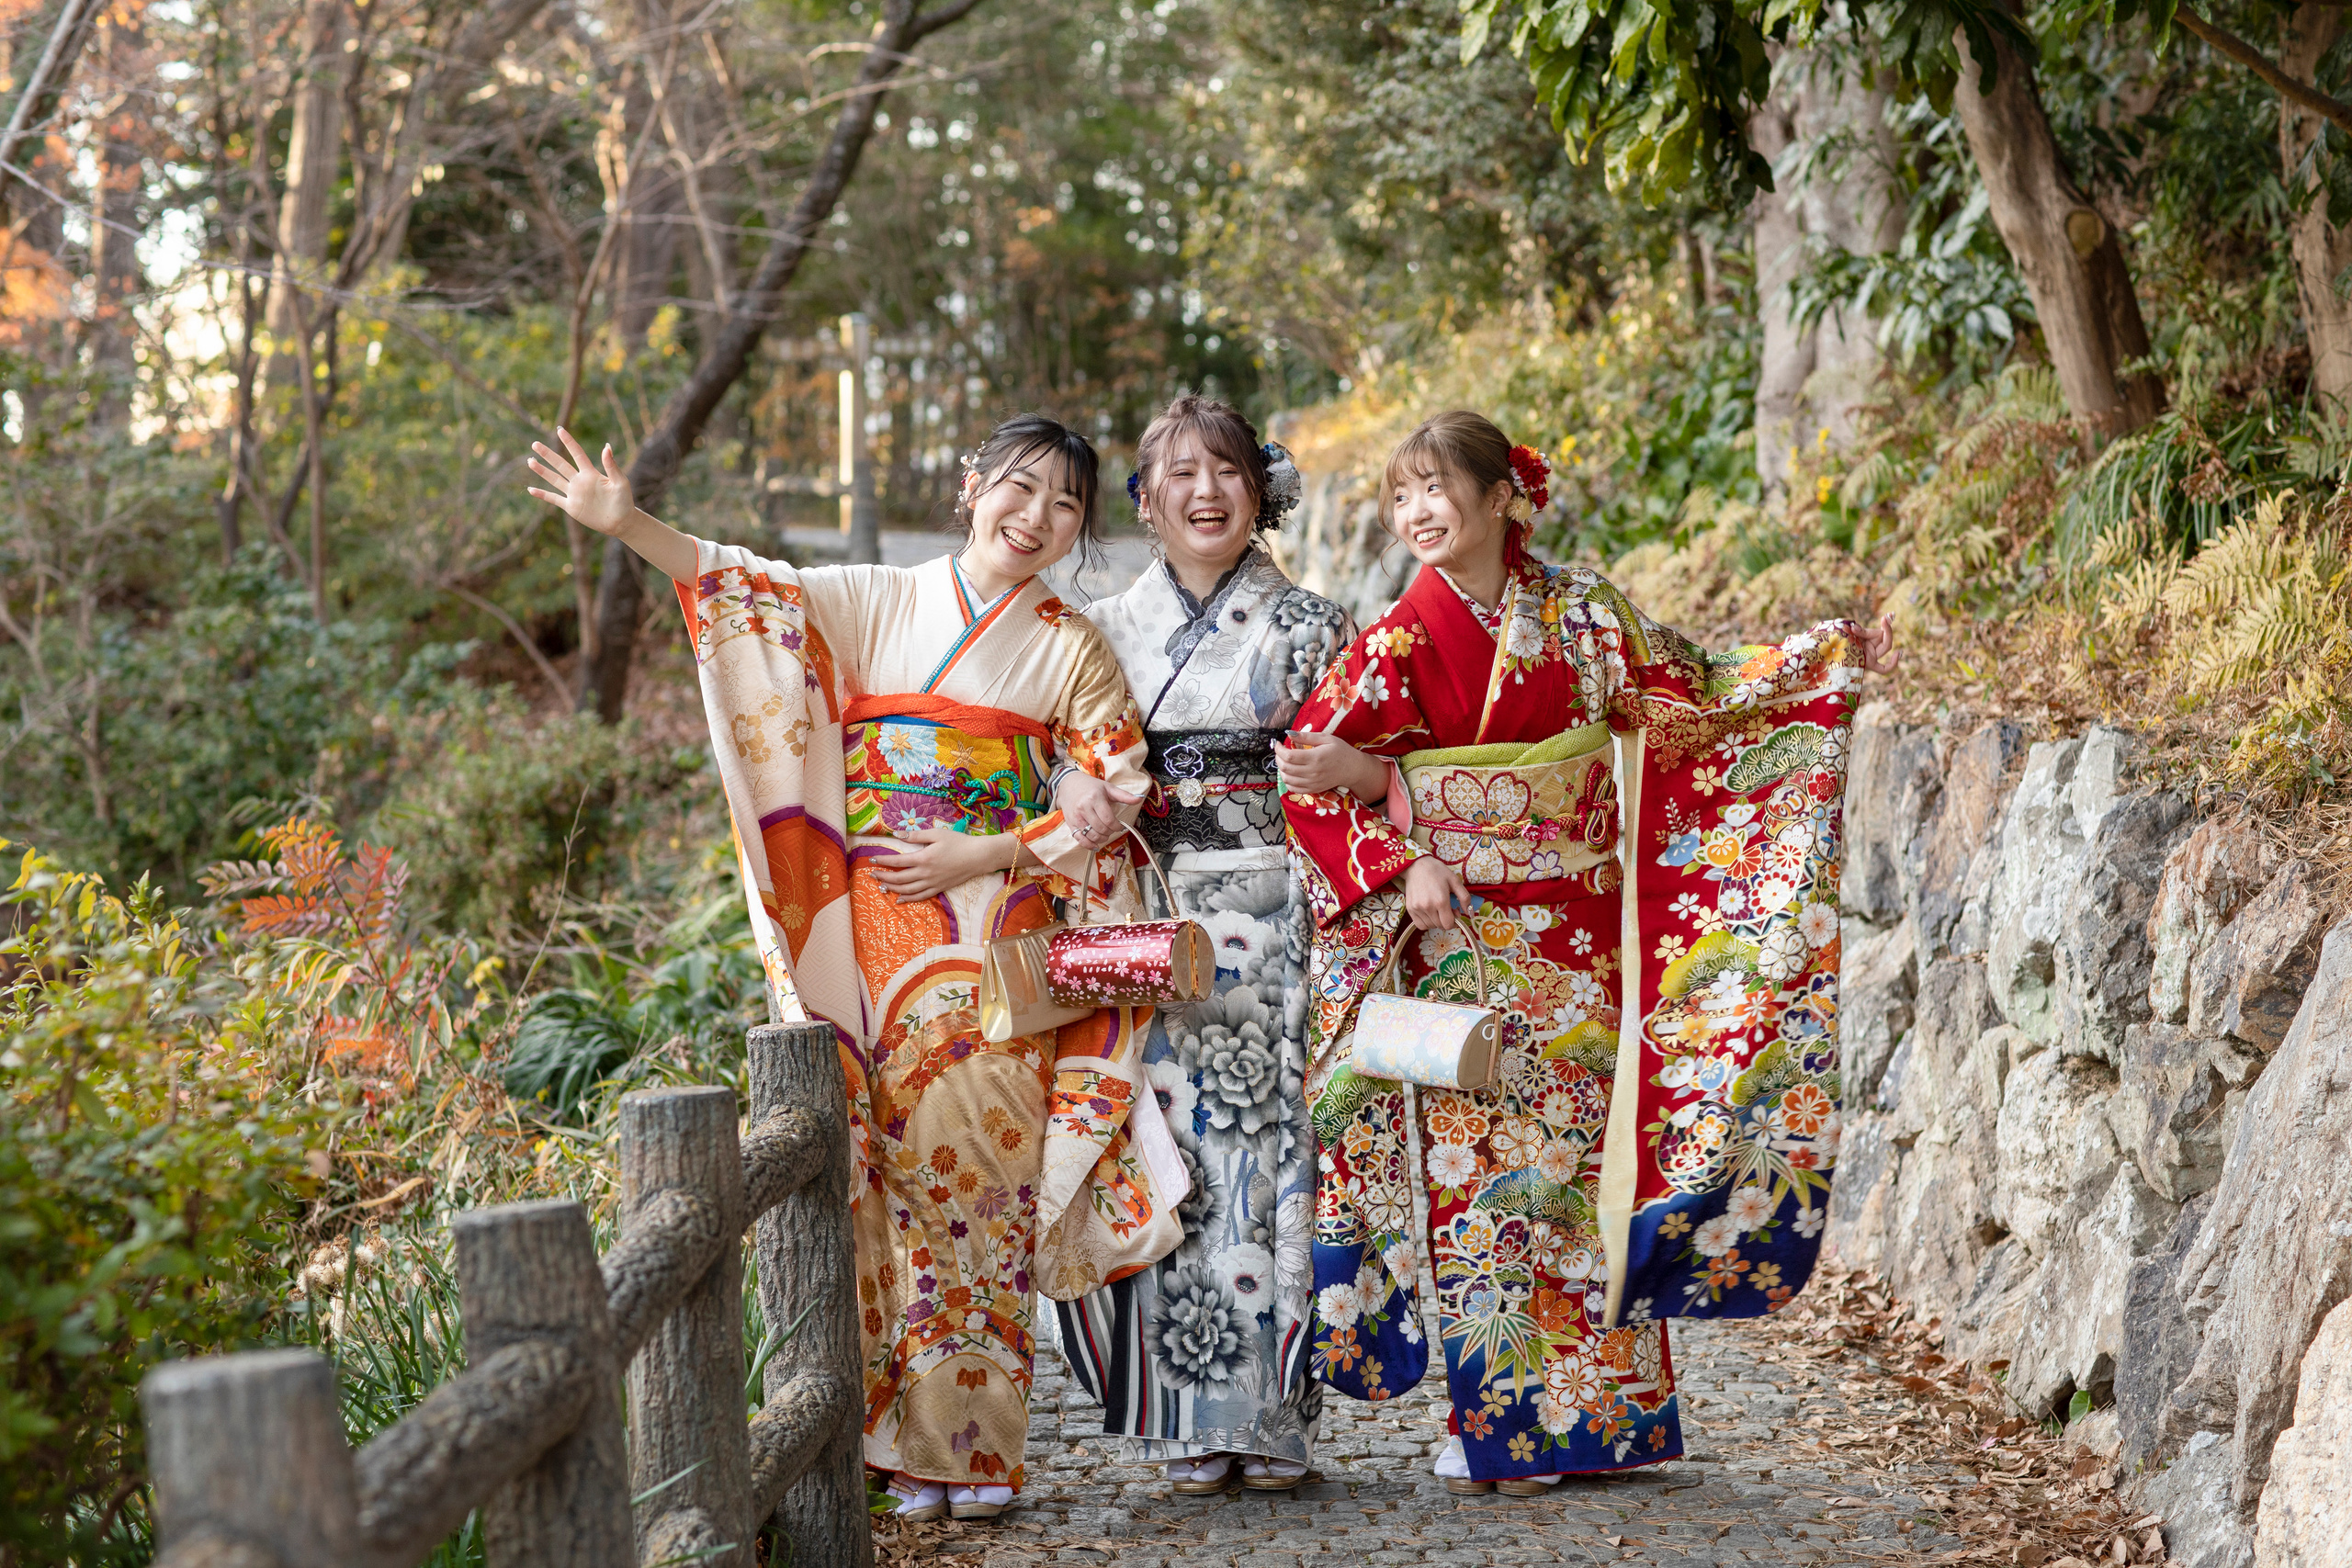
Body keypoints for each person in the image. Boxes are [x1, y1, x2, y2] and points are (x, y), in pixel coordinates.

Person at [526, 416, 1184, 1524]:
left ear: (1080, 527)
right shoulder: (880, 597)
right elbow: (745, 592)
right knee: (874, 1178)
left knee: (981, 1178)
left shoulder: (1067, 642)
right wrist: (624, 522)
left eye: (1064, 506)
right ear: (971, 486)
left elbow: (1118, 785)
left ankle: (972, 1454)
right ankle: (888, 1447)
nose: (1034, 520)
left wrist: (999, 845)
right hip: (869, 932)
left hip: (997, 937)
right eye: (1017, 490)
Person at [1275, 411, 1897, 1495]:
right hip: (1457, 935)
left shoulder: (1583, 614)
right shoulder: (1394, 643)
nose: (1419, 513)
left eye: (1438, 489)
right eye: (1399, 497)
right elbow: (1307, 779)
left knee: (1572, 1179)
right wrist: (1396, 855)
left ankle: (1603, 1422)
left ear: (1503, 495)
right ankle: (1505, 1423)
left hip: (1573, 932)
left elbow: (1687, 691)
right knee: (1486, 1187)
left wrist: (1816, 662)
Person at [1050, 396, 1357, 1495]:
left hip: (1279, 911)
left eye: (1225, 471)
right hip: (1144, 914)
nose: (1205, 493)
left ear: (1258, 490)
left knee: (1270, 1164)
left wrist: (1345, 781)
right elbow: (1057, 758)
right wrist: (1077, 785)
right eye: (1178, 474)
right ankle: (1182, 1415)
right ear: (1145, 500)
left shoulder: (1312, 625)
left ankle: (1273, 1418)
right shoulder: (1094, 628)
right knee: (1162, 1155)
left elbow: (1360, 773)